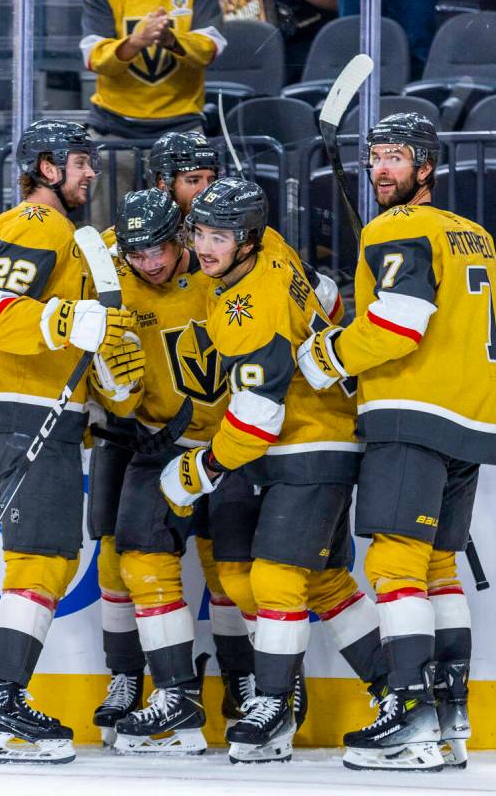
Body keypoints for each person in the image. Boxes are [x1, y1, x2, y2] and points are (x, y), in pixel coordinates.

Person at [297, 113, 496, 771]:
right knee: (437, 569)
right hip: (471, 421)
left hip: (411, 415)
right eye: (376, 156)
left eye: (397, 157)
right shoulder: (473, 235)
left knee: (394, 569)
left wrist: (325, 355)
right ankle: (449, 725)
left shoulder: (397, 227)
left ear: (427, 167)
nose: (381, 168)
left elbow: (400, 324)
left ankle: (410, 724)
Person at [161, 177, 389, 764]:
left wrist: (201, 468)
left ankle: (273, 705)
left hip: (308, 440)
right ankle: (400, 692)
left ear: (246, 240)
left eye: (220, 236)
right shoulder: (276, 250)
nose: (205, 247)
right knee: (320, 582)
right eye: (199, 233)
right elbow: (329, 297)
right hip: (314, 435)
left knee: (275, 579)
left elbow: (258, 418)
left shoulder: (250, 310)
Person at [0, 119, 137, 764]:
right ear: (48, 167)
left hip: (28, 414)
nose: (91, 172)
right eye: (81, 161)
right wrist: (70, 318)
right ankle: (0, 713)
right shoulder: (35, 225)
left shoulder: (65, 235)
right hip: (21, 414)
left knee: (44, 559)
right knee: (42, 562)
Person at [89, 187, 263, 754]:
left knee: (235, 575)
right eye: (137, 255)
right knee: (135, 560)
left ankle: (254, 682)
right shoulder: (114, 286)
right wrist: (114, 385)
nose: (150, 263)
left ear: (182, 235)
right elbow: (118, 398)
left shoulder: (226, 266)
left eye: (158, 249)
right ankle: (175, 694)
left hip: (234, 444)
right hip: (160, 443)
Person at [80, 0, 226, 228]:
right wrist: (136, 42)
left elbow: (210, 48)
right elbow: (94, 57)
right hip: (114, 129)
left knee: (188, 227)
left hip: (182, 131)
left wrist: (171, 39)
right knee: (107, 230)